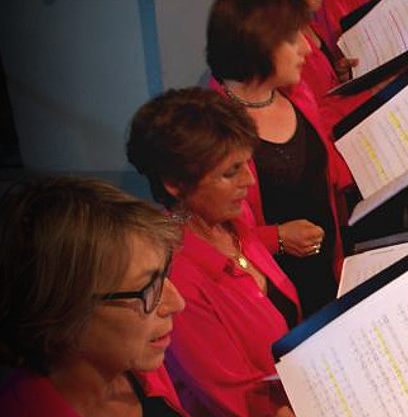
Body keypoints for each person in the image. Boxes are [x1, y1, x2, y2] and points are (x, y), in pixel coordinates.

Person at [127, 88, 303, 417]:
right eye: (230, 172)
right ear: (175, 184)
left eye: (247, 164)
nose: (250, 180)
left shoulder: (231, 221)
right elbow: (240, 403)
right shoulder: (177, 276)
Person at [0, 177, 188, 417]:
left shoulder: (133, 360)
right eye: (148, 287)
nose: (178, 303)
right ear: (59, 314)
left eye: (164, 273)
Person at [206, 0, 353, 318]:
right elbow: (211, 232)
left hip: (325, 269)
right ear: (257, 45)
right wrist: (278, 238)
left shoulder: (296, 92)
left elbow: (322, 175)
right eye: (292, 38)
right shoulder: (214, 125)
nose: (307, 48)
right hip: (276, 287)